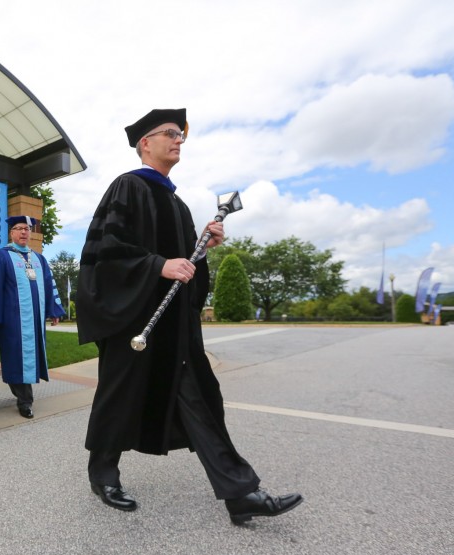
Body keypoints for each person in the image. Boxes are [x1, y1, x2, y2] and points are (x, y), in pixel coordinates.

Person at [77, 108, 303, 524]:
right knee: (119, 396)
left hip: (174, 326)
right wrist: (157, 265)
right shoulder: (128, 186)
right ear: (146, 143)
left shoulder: (178, 205)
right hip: (135, 321)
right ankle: (103, 474)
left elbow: (185, 272)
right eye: (170, 133)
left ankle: (240, 493)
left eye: (181, 134)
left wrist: (201, 250)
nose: (178, 139)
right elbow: (106, 252)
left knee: (201, 401)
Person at [0, 215, 66, 418]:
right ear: (11, 232)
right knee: (15, 357)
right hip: (11, 321)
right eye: (19, 228)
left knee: (28, 357)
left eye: (27, 229)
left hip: (34, 320)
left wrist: (54, 310)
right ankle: (25, 400)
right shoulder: (1, 256)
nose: (24, 232)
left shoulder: (39, 259)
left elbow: (49, 285)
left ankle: (22, 394)